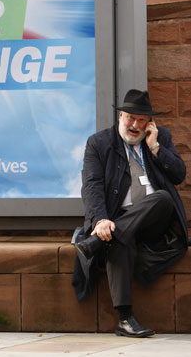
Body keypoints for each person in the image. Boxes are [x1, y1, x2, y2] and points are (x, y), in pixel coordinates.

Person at [72, 89, 188, 338]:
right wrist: (101, 220)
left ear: (150, 123)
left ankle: (99, 241)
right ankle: (125, 319)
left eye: (142, 120)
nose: (135, 125)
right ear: (120, 116)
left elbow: (179, 174)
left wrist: (155, 147)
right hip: (118, 218)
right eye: (130, 118)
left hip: (155, 218)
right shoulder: (99, 143)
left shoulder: (160, 139)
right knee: (117, 237)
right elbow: (91, 184)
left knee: (163, 197)